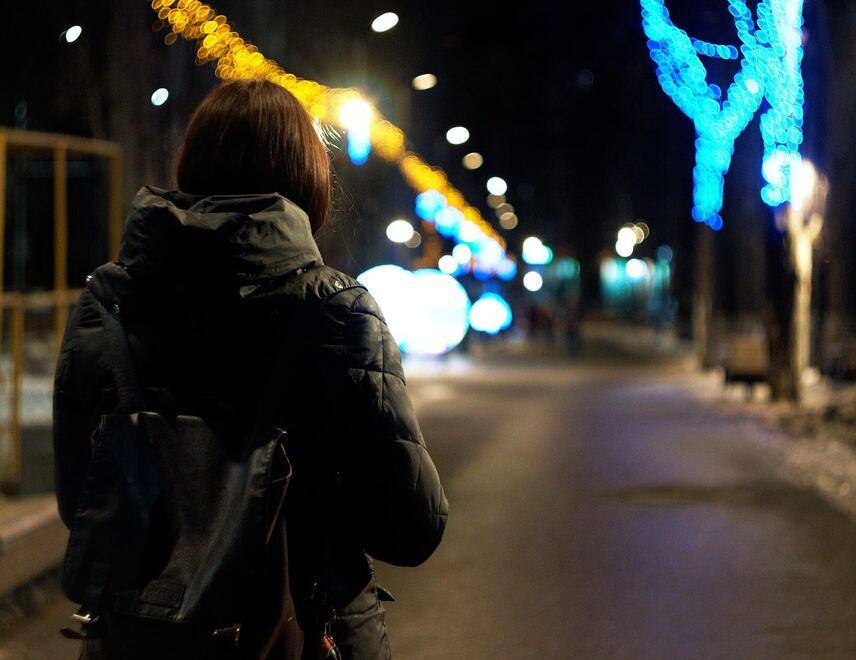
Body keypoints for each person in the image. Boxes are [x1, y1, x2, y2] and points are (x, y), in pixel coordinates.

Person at [53, 78, 449, 659]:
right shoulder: (338, 314)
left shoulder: (107, 305)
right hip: (302, 637)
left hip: (137, 641)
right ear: (308, 179)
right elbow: (412, 528)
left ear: (191, 164)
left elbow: (78, 499)